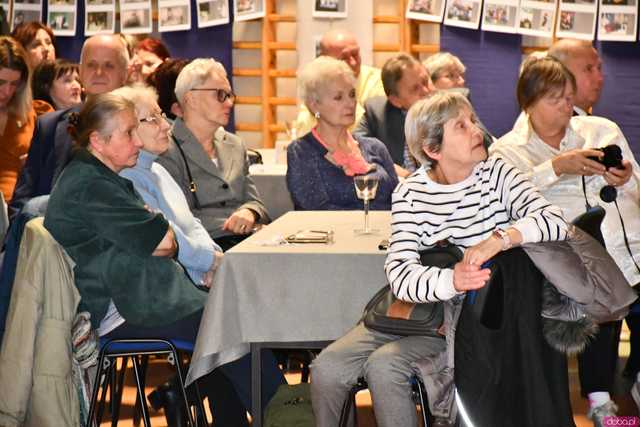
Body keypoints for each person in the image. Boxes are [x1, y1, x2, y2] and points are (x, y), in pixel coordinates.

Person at [311, 91, 570, 427]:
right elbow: (400, 273)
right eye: (461, 126)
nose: (477, 130)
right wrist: (451, 280)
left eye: (472, 121)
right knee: (326, 368)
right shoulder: (411, 192)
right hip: (412, 310)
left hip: (468, 323)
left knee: (384, 367)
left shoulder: (498, 174)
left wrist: (500, 239)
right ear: (433, 150)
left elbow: (555, 220)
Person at [44, 92, 283, 427]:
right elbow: (165, 240)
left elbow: (166, 237)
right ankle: (283, 417)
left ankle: (251, 416)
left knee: (231, 316)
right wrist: (154, 227)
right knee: (230, 319)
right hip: (124, 307)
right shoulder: (91, 185)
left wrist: (153, 226)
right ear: (97, 141)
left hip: (146, 291)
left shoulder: (101, 176)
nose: (136, 141)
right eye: (128, 133)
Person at [490, 56, 640, 426]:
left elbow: (636, 185)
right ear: (529, 102)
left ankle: (627, 384)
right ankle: (600, 400)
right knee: (593, 280)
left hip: (628, 244)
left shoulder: (600, 129)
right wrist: (557, 167)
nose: (565, 107)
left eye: (569, 97)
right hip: (565, 259)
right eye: (554, 99)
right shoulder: (507, 150)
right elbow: (508, 201)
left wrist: (624, 178)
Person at [9, 34, 129, 220]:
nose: (98, 72)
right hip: (48, 236)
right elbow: (22, 199)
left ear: (125, 74)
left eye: (108, 65)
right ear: (80, 70)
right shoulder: (49, 125)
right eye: (91, 65)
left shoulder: (143, 126)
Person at [158, 58, 268, 251]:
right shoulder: (166, 148)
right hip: (205, 248)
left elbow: (254, 201)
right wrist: (234, 222)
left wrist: (249, 212)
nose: (230, 103)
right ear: (191, 98)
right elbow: (180, 217)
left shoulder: (235, 144)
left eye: (230, 95)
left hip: (247, 242)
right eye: (220, 95)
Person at [286, 56, 398, 211]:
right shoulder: (301, 151)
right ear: (314, 106)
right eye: (338, 97)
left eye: (352, 94)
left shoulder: (375, 147)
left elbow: (399, 201)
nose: (350, 103)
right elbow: (317, 211)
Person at [354, 53, 434, 178]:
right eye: (415, 89)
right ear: (395, 100)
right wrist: (402, 173)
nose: (426, 91)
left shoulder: (453, 107)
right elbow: (356, 149)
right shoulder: (376, 112)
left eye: (425, 81)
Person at [294, 29, 385, 137]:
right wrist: (319, 116)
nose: (353, 62)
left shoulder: (378, 80)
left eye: (355, 54)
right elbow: (304, 125)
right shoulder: (317, 85)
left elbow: (376, 126)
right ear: (326, 61)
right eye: (344, 58)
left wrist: (326, 116)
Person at [0, 37, 52, 203]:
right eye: (0, 82)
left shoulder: (39, 113)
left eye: (14, 83)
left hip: (26, 211)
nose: (7, 92)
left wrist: (36, 165)